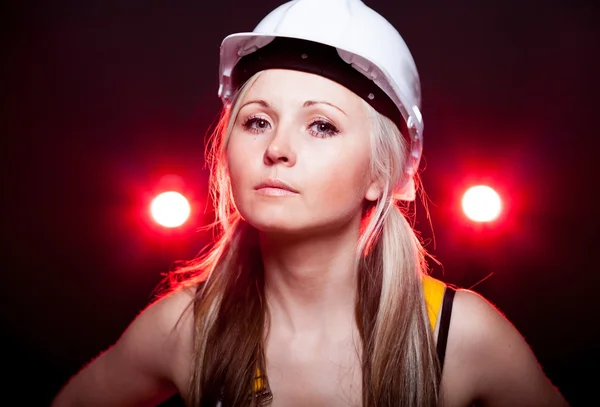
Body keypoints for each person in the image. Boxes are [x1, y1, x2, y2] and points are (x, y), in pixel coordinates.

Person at [51, 0, 570, 406]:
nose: (276, 148)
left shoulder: (462, 337)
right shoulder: (185, 329)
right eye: (257, 121)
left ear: (379, 174)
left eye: (321, 125)